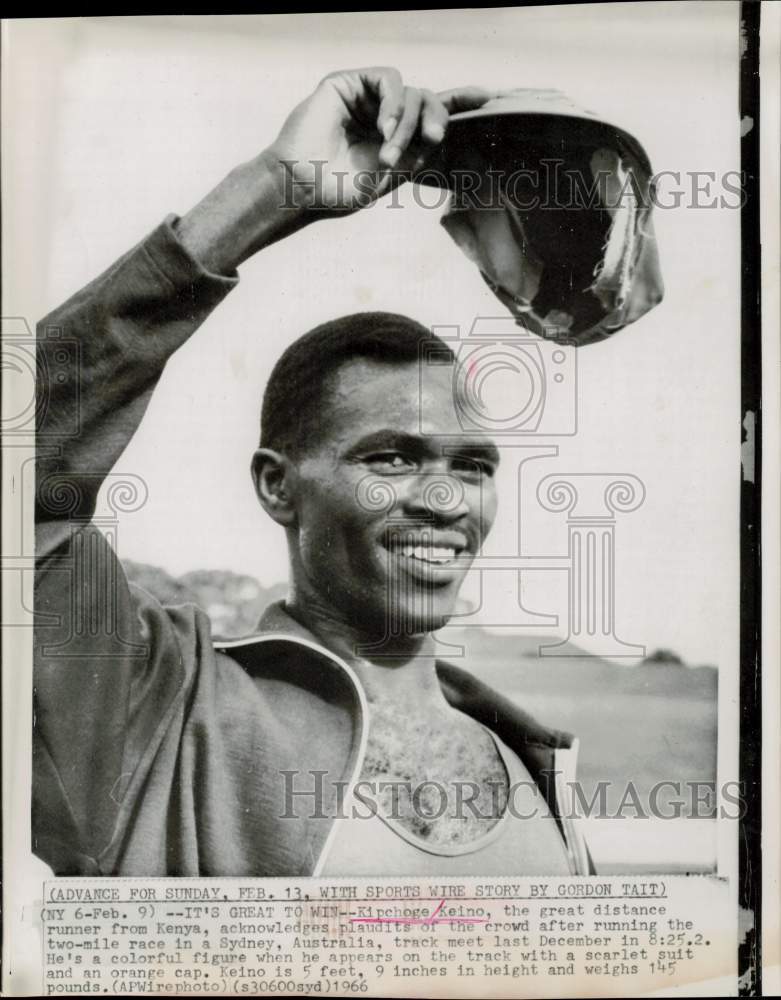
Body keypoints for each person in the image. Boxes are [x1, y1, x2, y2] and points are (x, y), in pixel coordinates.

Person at [34, 67, 592, 877]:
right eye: (391, 456)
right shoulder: (154, 704)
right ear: (276, 485)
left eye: (472, 467)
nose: (443, 500)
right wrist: (271, 191)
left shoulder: (536, 768)